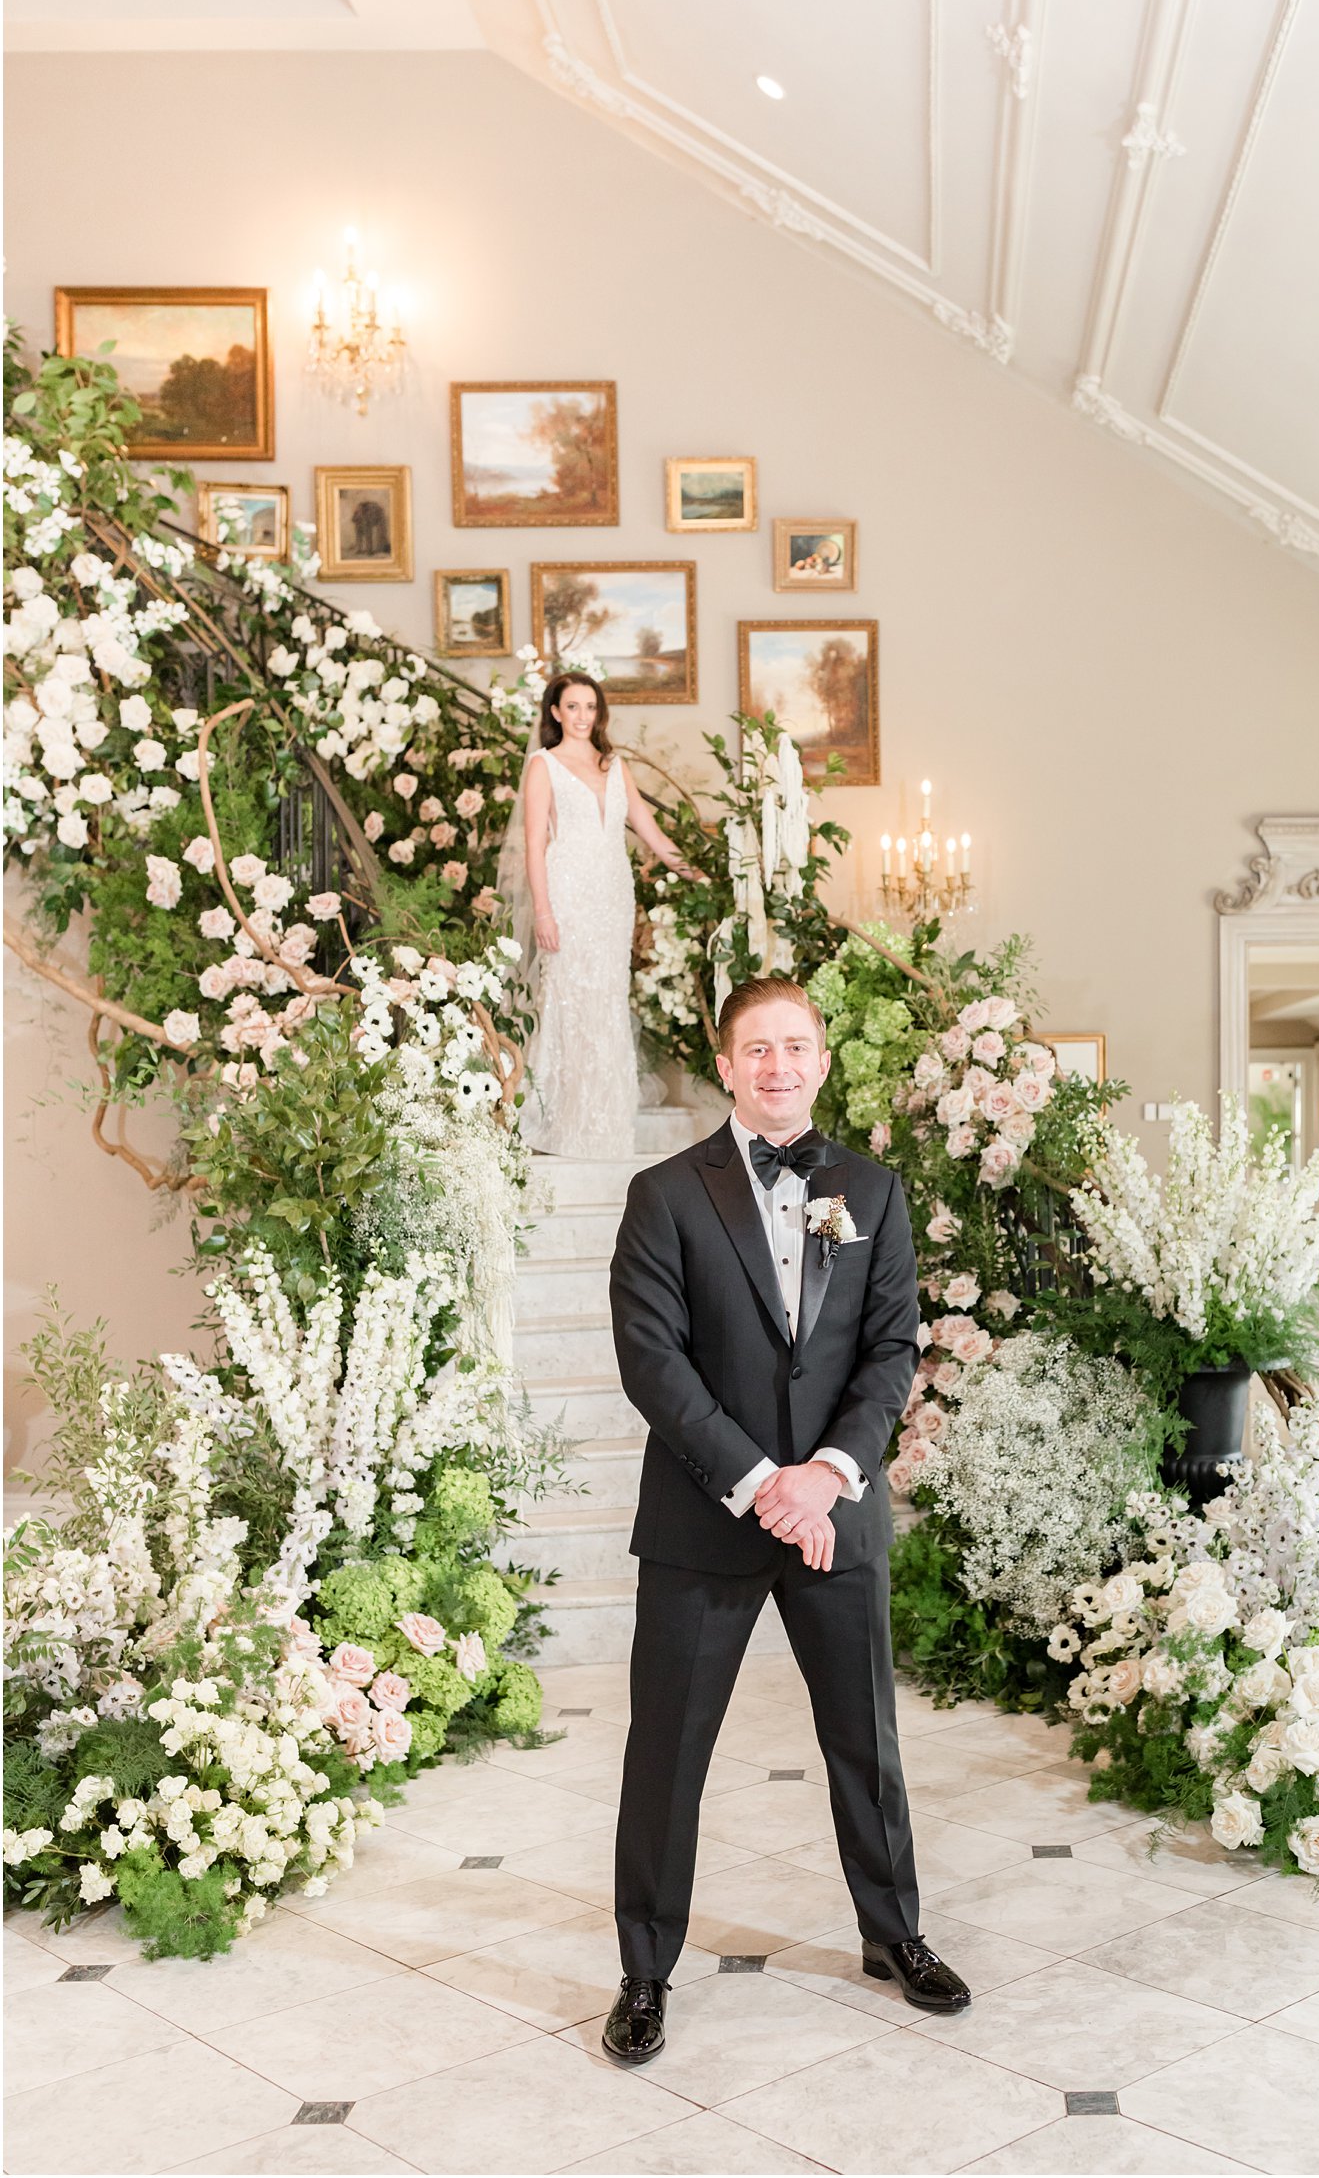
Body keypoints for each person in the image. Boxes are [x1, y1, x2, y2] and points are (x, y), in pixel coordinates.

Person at [602, 974, 971, 2065]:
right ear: (725, 1066)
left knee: (865, 1739)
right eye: (755, 1049)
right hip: (701, 1522)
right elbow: (651, 1363)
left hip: (836, 1517)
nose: (777, 1066)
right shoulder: (663, 1194)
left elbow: (887, 1351)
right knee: (667, 1753)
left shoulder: (874, 1190)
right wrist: (763, 1482)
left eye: (795, 1046)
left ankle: (892, 1932)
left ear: (821, 1060)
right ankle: (644, 1970)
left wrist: (826, 1476)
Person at [510, 670, 697, 1158]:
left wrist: (693, 870)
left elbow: (647, 827)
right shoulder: (543, 765)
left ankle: (607, 1122)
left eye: (590, 707)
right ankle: (562, 1119)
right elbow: (534, 844)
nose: (582, 716)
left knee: (609, 997)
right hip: (567, 894)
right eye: (572, 707)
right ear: (555, 712)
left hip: (613, 896)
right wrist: (544, 913)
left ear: (599, 712)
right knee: (570, 995)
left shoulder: (614, 764)